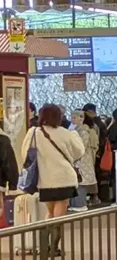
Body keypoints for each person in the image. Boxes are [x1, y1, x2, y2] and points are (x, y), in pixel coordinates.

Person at [21, 104, 85, 252]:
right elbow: (79, 152)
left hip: (45, 179)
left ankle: (45, 245)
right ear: (59, 117)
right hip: (64, 179)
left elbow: (25, 154)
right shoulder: (65, 133)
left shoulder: (34, 132)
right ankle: (53, 247)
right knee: (59, 217)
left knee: (50, 213)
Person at [70, 110, 99, 203]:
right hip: (79, 160)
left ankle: (80, 203)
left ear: (81, 118)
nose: (72, 120)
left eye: (74, 118)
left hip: (82, 160)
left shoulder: (83, 131)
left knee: (81, 182)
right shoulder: (76, 130)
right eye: (72, 117)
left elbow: (82, 146)